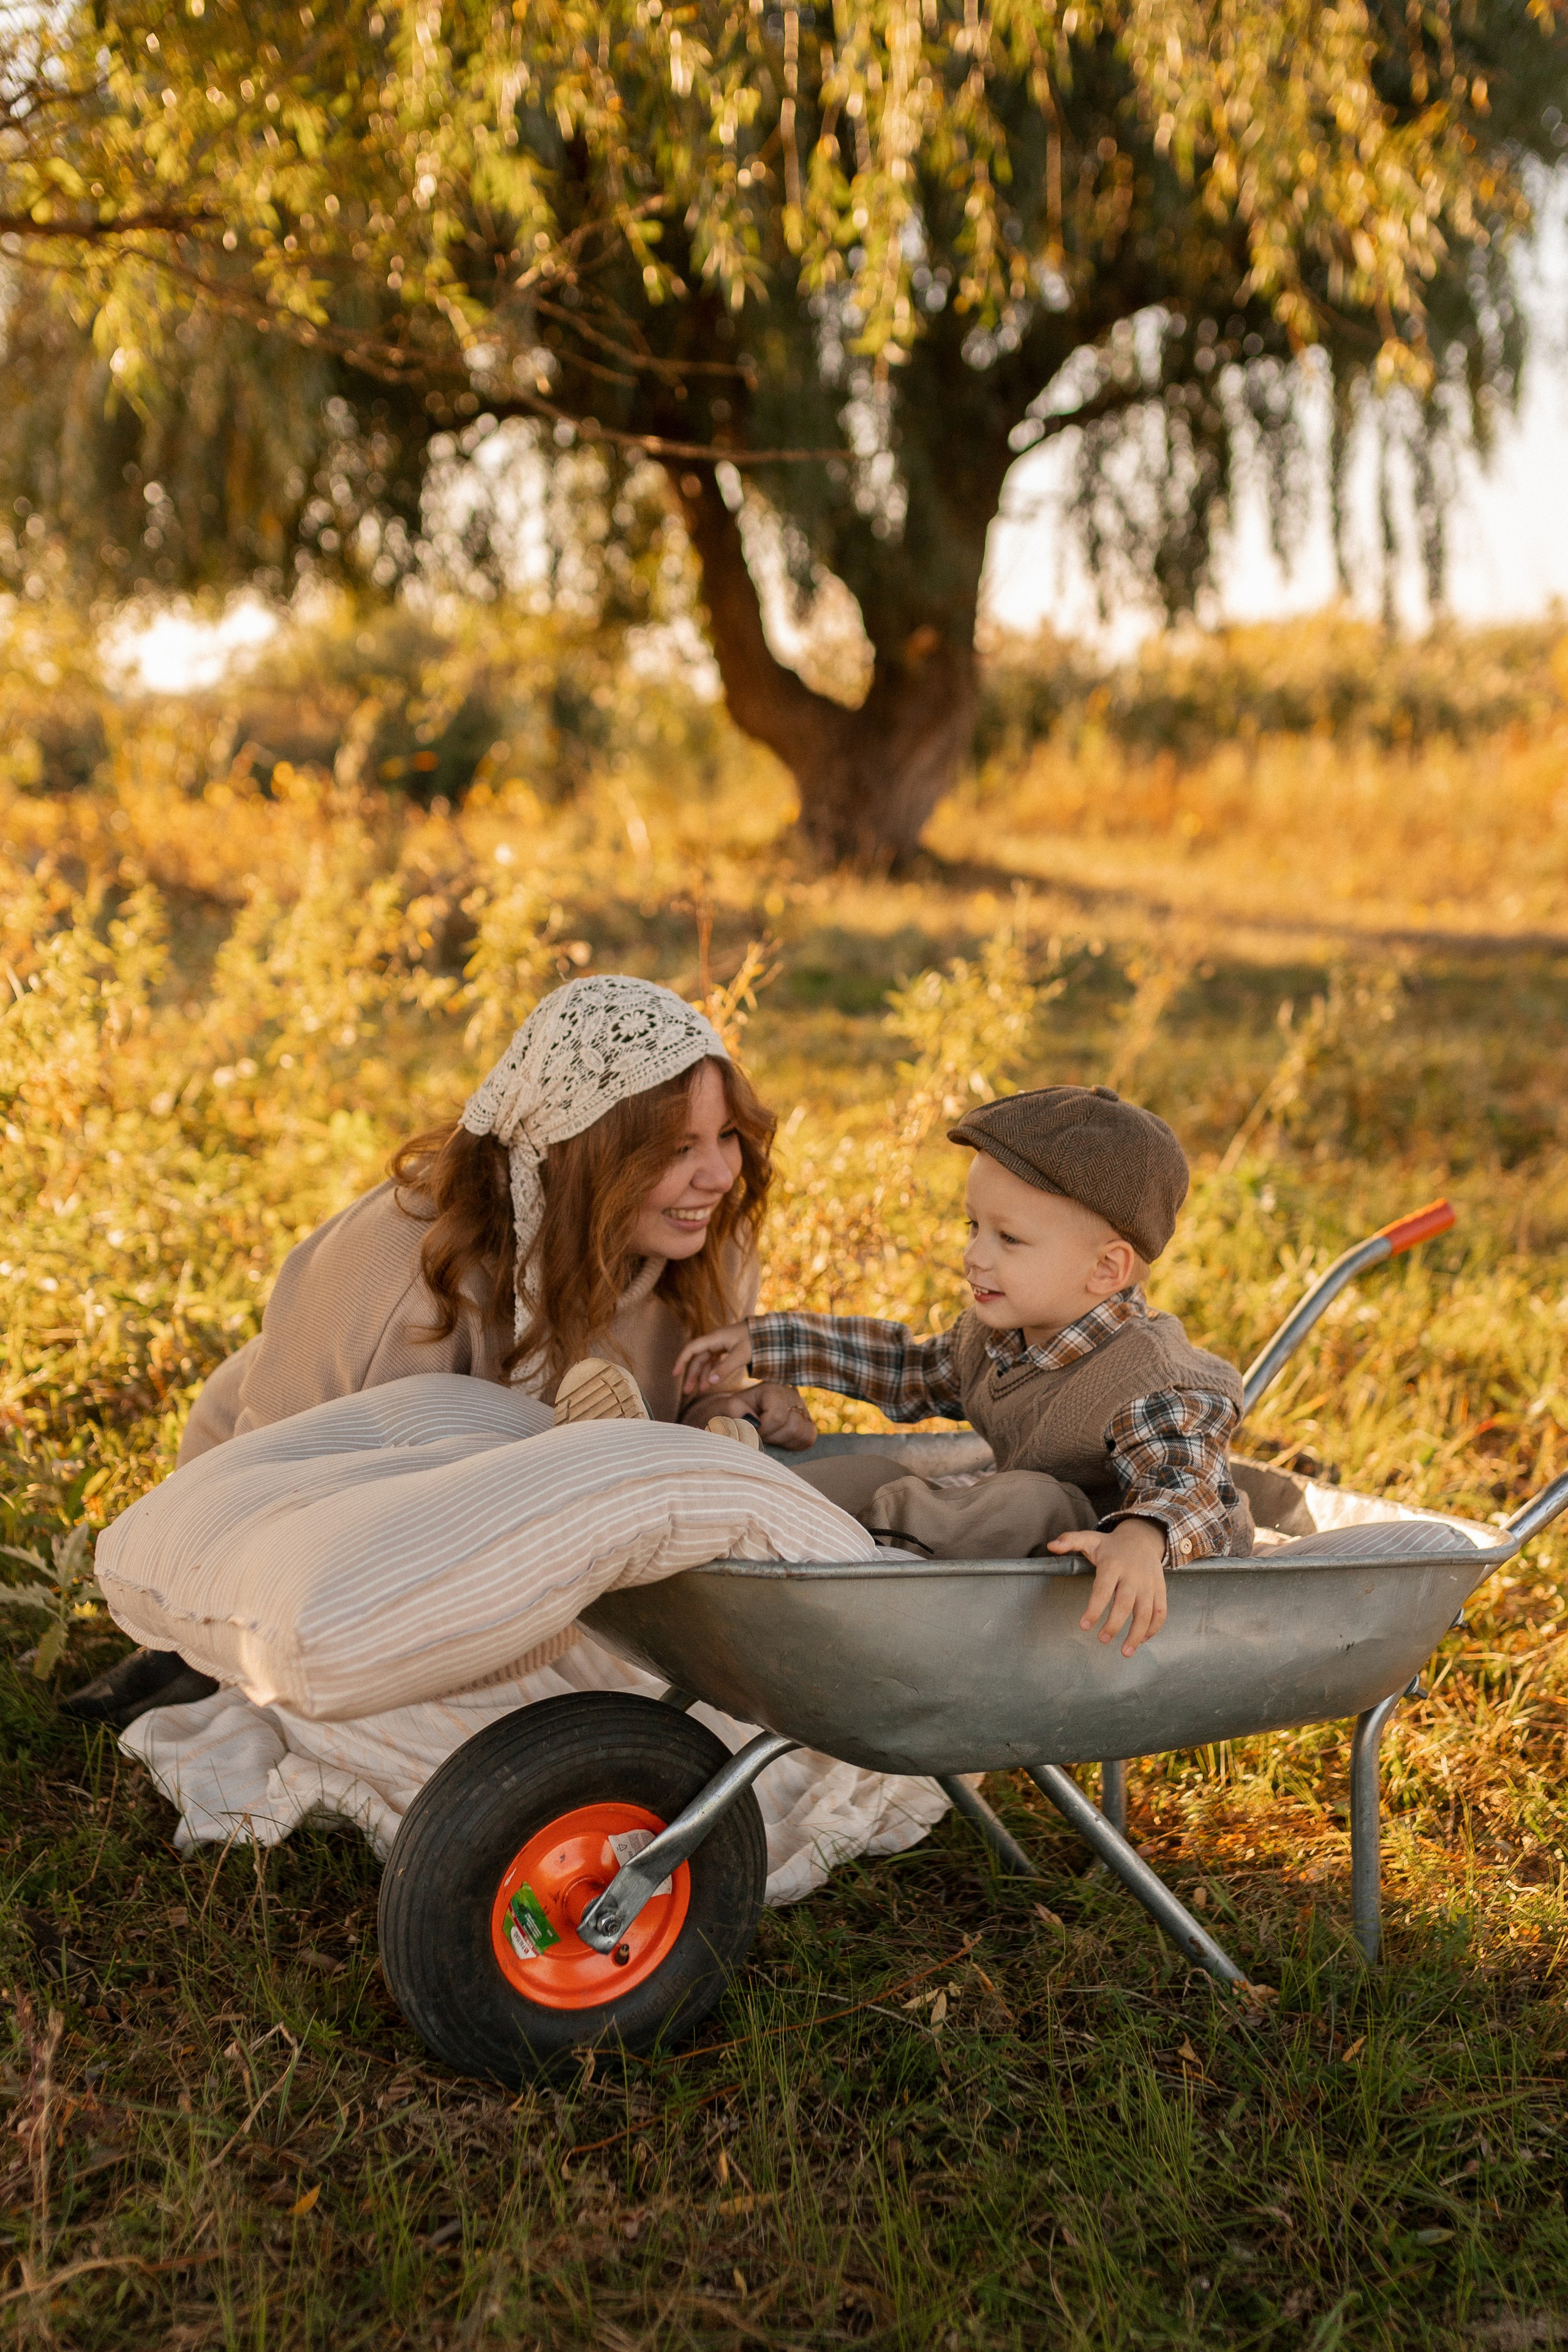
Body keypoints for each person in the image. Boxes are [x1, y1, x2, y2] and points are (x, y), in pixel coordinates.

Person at [65, 974, 815, 1730]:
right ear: (581, 1154)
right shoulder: (405, 1262)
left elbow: (666, 1407)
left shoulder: (706, 1238)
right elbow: (289, 1481)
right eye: (677, 1148)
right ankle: (185, 1657)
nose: (720, 1175)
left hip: (505, 1540)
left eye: (725, 1136)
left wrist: (724, 1405)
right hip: (289, 1492)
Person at [674, 1084, 1255, 1660]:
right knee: (879, 1470)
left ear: (1106, 1269)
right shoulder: (999, 1336)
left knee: (1028, 1500)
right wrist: (768, 1340)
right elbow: (906, 1368)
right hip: (1019, 1547)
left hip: (1115, 1564)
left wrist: (1140, 1538)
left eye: (1009, 1238)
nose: (975, 1255)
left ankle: (816, 1545)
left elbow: (1190, 1484)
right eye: (972, 1227)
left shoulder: (1153, 1379)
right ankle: (744, 1502)